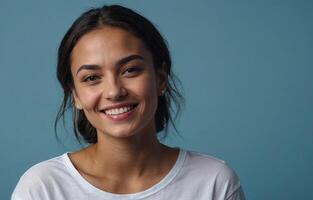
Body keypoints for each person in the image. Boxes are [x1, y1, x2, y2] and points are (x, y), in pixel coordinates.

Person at [11, 5, 245, 200]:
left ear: (160, 79)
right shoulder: (42, 188)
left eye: (130, 70)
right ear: (76, 95)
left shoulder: (214, 182)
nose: (114, 91)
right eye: (92, 78)